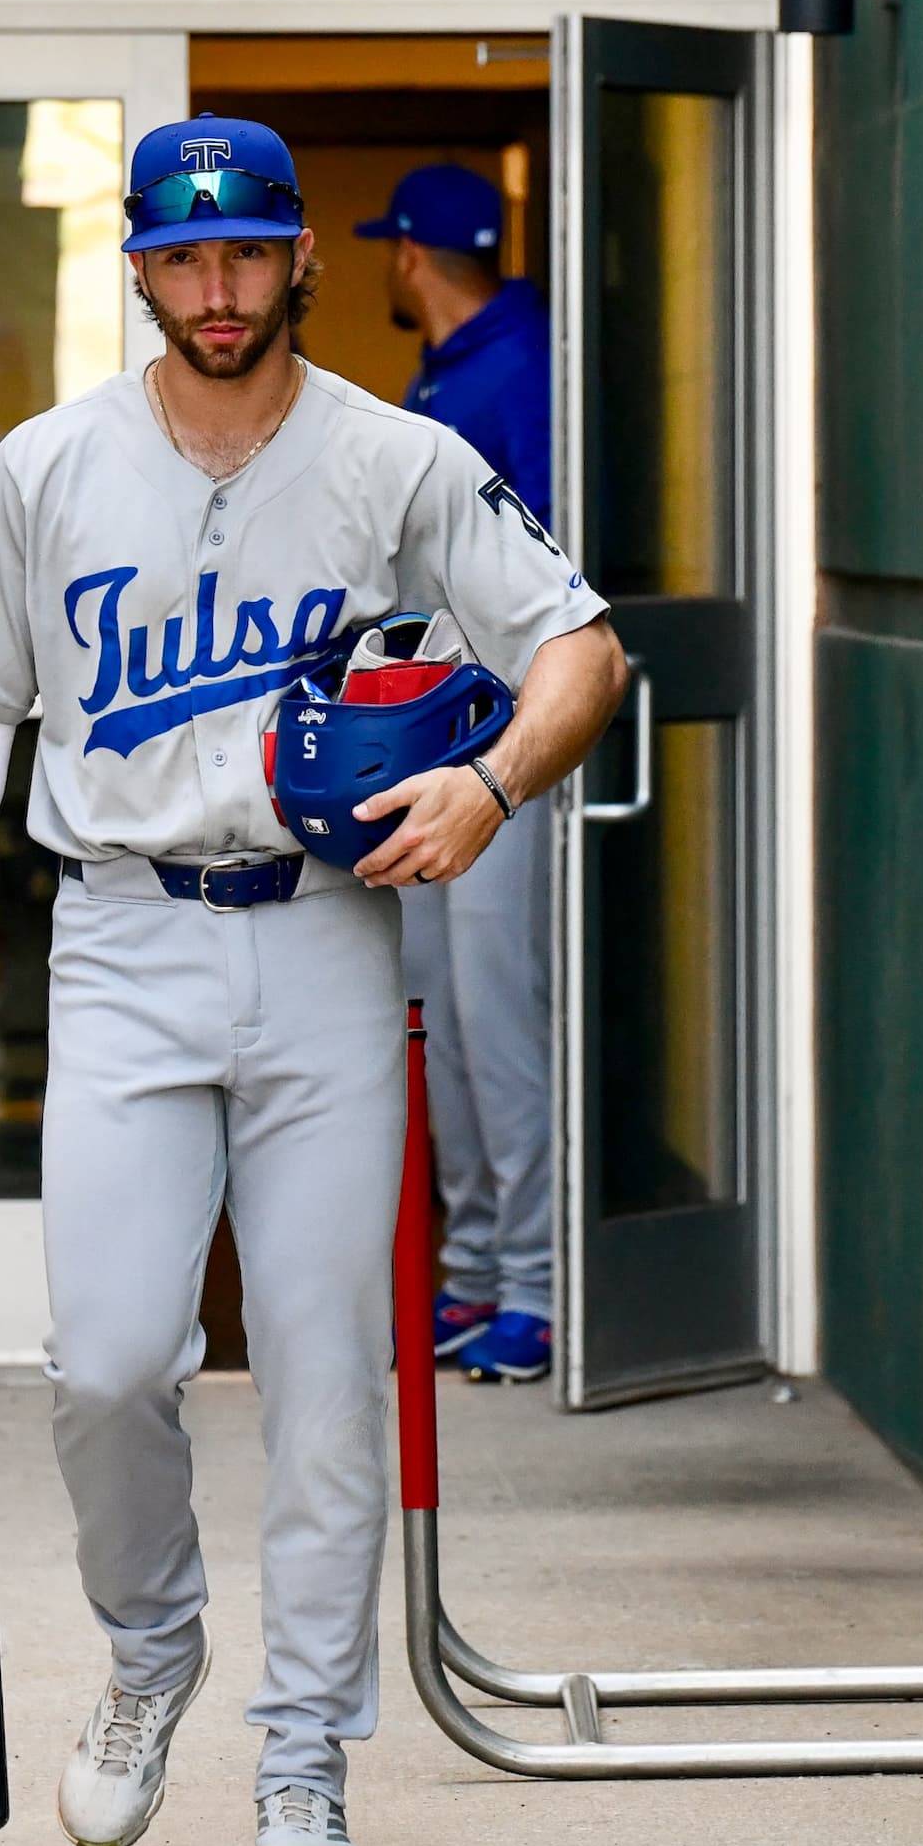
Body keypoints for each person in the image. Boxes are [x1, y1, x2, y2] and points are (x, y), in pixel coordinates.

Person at [0, 117, 622, 1846]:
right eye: (184, 257)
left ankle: (306, 1752)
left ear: (298, 258)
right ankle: (151, 1650)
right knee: (112, 1362)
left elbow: (579, 646)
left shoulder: (398, 457)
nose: (217, 289)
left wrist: (497, 785)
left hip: (324, 943)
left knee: (323, 1372)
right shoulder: (48, 471)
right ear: (137, 266)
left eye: (249, 251)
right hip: (124, 940)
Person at [359, 162, 563, 1385]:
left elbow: (546, 570)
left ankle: (533, 1286)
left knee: (499, 1019)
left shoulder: (523, 358)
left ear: (412, 257)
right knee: (431, 1011)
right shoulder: (446, 368)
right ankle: (476, 1270)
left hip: (505, 751)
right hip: (430, 746)